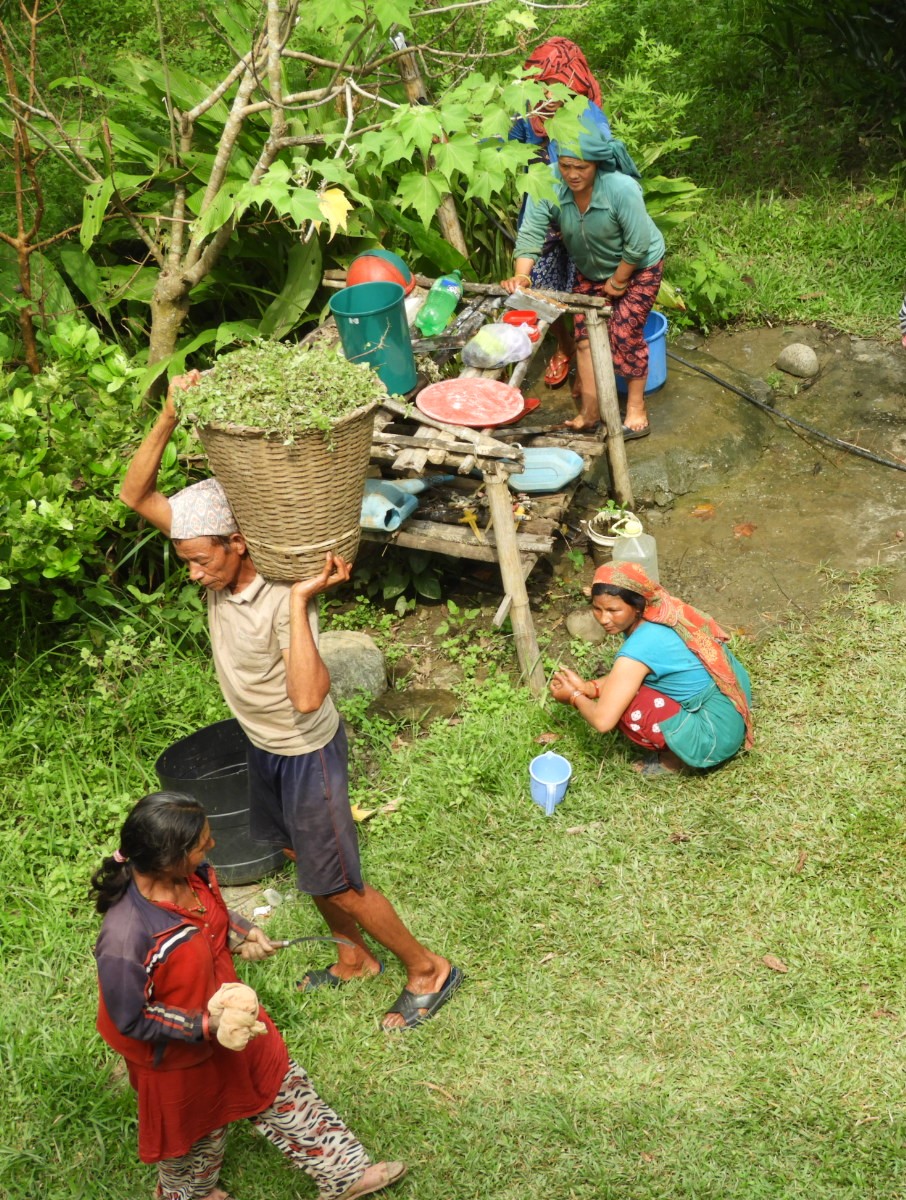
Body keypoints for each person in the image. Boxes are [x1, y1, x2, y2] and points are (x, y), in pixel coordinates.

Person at [119, 375, 462, 1031]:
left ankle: (427, 969)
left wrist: (303, 602)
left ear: (235, 545)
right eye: (186, 560)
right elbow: (136, 493)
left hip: (308, 754)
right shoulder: (208, 547)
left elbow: (309, 697)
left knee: (338, 880)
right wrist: (168, 412)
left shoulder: (280, 595)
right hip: (265, 747)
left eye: (197, 561)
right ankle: (353, 960)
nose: (192, 573)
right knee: (306, 862)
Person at [91, 791, 406, 1200]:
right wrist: (209, 1025)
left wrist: (242, 934)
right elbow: (131, 1018)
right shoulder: (125, 937)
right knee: (198, 1131)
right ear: (168, 858)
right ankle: (190, 1194)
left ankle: (344, 1174)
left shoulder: (195, 874)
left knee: (282, 1085)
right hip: (174, 1056)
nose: (212, 846)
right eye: (202, 842)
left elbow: (213, 916)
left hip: (233, 1017)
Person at [502, 116, 665, 438]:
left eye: (582, 167)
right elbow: (532, 232)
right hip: (591, 268)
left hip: (638, 266)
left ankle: (635, 407)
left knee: (623, 333)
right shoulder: (547, 184)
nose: (573, 175)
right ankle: (589, 413)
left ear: (597, 164)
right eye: (565, 166)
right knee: (585, 340)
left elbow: (638, 244)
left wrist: (619, 282)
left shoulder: (621, 188)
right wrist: (522, 276)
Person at [550, 563, 753, 775]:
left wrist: (574, 696)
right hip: (731, 707)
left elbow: (602, 721)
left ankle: (672, 761)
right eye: (597, 608)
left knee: (628, 704)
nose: (603, 619)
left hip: (713, 738)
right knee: (625, 690)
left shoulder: (641, 646)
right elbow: (630, 674)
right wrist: (589, 688)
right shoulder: (662, 612)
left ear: (637, 606)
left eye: (613, 610)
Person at [508, 37, 612, 390]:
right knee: (541, 287)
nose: (545, 97)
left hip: (582, 211)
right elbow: (509, 149)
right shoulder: (526, 110)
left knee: (587, 283)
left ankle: (589, 351)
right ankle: (565, 346)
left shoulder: (590, 118)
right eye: (539, 87)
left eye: (552, 87)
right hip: (542, 207)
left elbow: (605, 170)